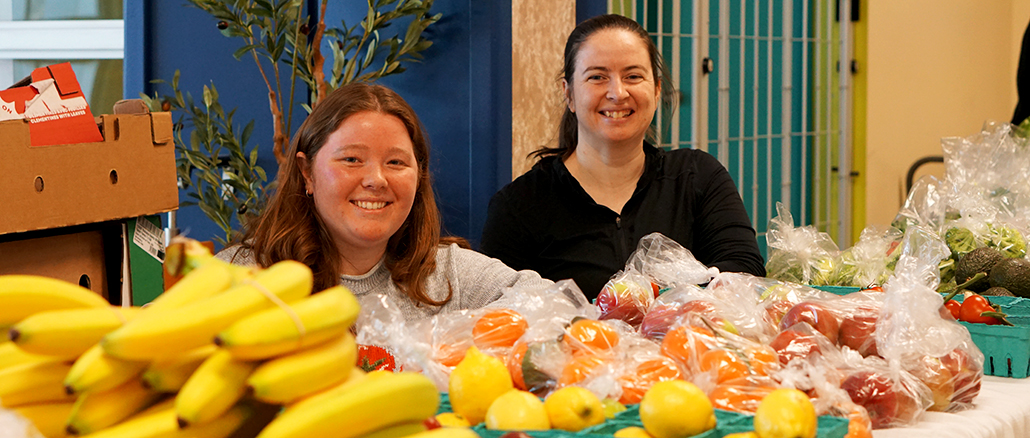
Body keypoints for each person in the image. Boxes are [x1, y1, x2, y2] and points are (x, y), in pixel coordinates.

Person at [479, 14, 765, 301]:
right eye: (597, 77)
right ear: (569, 95)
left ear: (655, 90)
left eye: (633, 76)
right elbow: (504, 319)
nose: (617, 92)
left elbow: (744, 273)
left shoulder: (698, 177)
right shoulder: (518, 206)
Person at [217, 83, 551, 321]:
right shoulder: (243, 276)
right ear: (307, 173)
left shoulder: (449, 274)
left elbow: (555, 307)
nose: (376, 179)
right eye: (351, 160)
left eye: (396, 163)